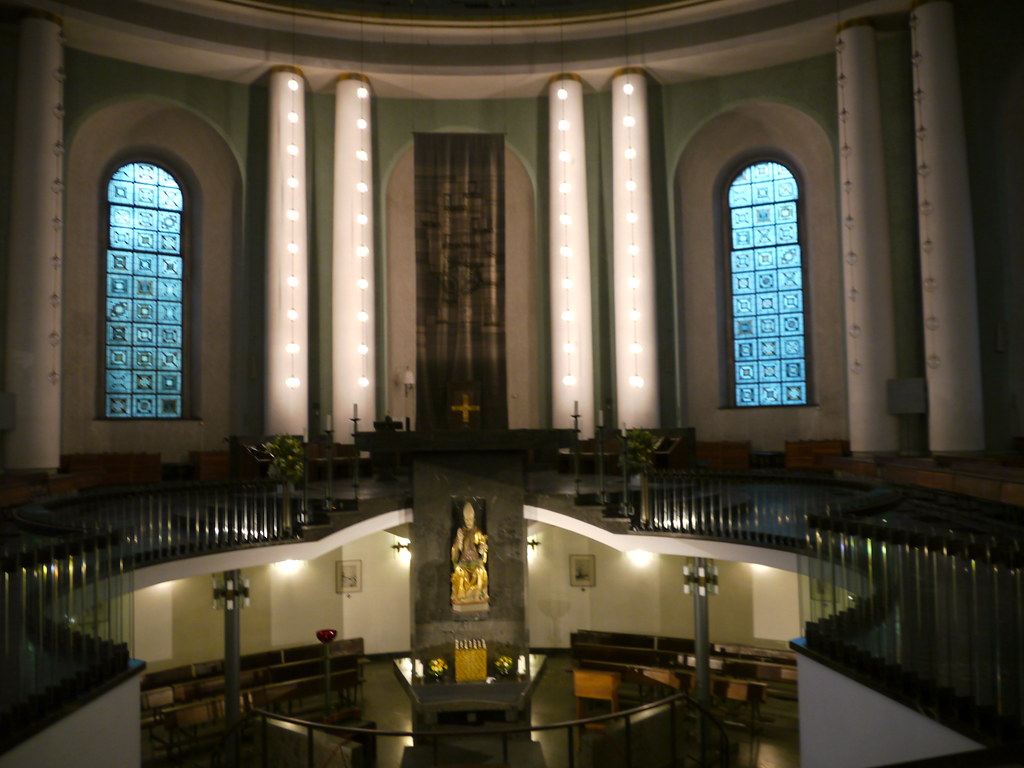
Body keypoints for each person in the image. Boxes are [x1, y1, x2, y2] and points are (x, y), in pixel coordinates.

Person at [450, 501, 488, 605]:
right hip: (464, 563)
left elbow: (482, 546)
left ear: (474, 519)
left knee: (480, 572)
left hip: (475, 562)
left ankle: (478, 596)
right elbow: (456, 549)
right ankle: (461, 598)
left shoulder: (477, 532)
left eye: (470, 519)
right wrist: (460, 540)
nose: (468, 522)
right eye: (466, 520)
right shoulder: (461, 532)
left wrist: (482, 549)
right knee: (459, 573)